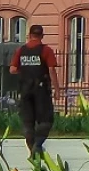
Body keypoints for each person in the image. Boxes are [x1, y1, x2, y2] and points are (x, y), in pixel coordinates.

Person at [10, 25, 58, 158]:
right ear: (42, 36)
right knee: (46, 120)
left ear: (29, 35)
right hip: (41, 90)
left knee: (27, 122)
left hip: (25, 90)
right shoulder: (46, 50)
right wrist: (57, 89)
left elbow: (12, 69)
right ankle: (37, 145)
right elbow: (51, 70)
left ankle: (33, 149)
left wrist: (26, 71)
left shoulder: (21, 50)